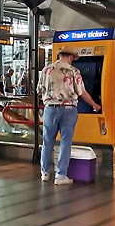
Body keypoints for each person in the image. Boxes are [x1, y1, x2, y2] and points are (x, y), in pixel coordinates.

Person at [38, 46, 101, 185]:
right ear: (71, 57)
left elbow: (39, 90)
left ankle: (45, 173)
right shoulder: (74, 71)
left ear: (60, 55)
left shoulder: (46, 70)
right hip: (68, 109)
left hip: (49, 109)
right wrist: (95, 105)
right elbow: (82, 93)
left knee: (47, 141)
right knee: (65, 142)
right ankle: (60, 176)